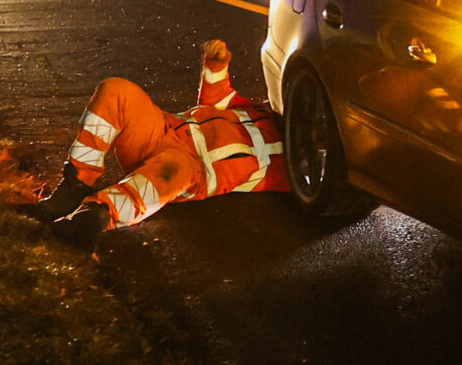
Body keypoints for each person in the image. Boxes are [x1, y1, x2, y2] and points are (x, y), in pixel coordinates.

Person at [25, 39, 290, 252]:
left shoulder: (297, 166)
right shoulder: (260, 109)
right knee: (116, 90)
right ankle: (73, 187)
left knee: (170, 172)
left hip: (191, 168)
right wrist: (216, 64)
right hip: (161, 129)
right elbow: (217, 100)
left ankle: (95, 216)